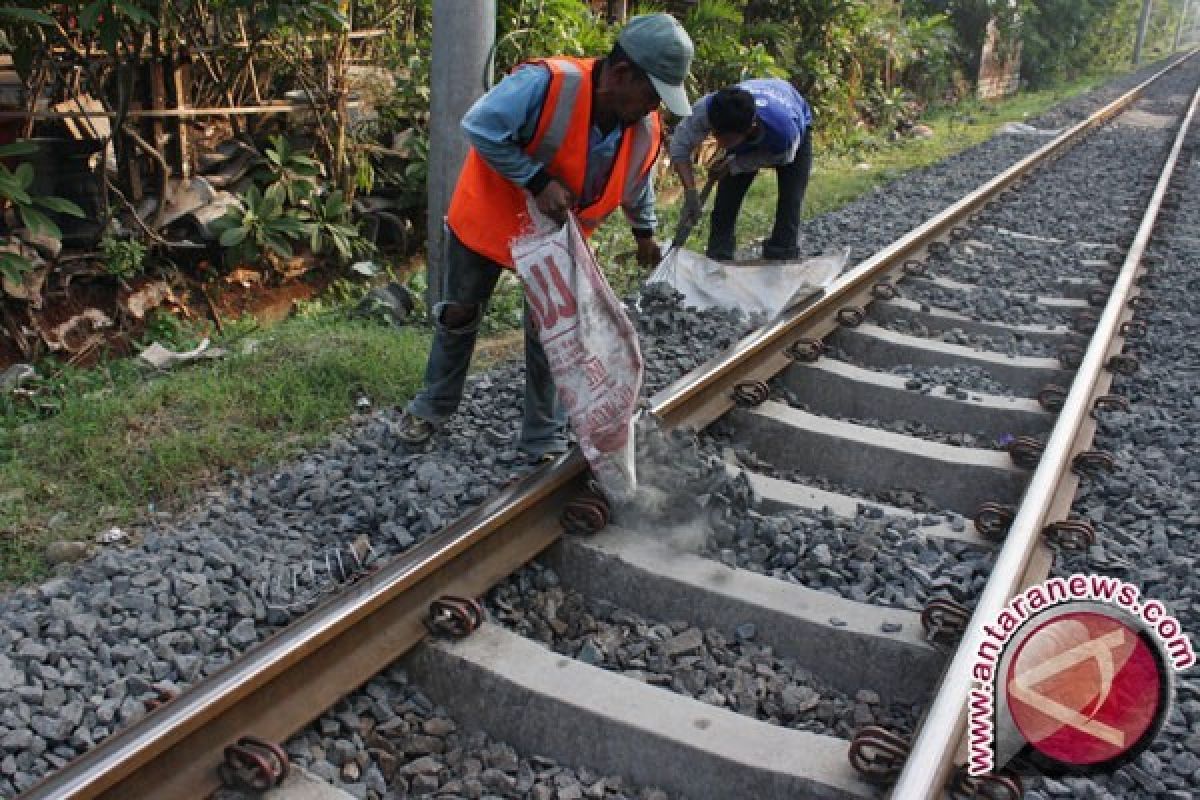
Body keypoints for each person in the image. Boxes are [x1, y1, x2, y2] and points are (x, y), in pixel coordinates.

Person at [395, 13, 695, 461]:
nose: (653, 108)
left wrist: (644, 234)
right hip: (489, 219)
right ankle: (431, 408)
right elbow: (479, 126)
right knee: (459, 313)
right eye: (650, 94)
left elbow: (638, 179)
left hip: (557, 236)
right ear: (620, 74)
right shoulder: (547, 83)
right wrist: (536, 180)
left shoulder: (643, 128)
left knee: (554, 331)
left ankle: (543, 437)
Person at [669, 78, 813, 262]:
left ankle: (782, 255)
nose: (719, 143)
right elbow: (679, 146)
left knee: (791, 200)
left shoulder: (783, 132)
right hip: (748, 131)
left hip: (793, 131)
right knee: (726, 200)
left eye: (726, 140)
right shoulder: (709, 108)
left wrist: (735, 165)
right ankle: (719, 259)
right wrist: (690, 192)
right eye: (716, 135)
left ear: (749, 129)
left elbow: (785, 156)